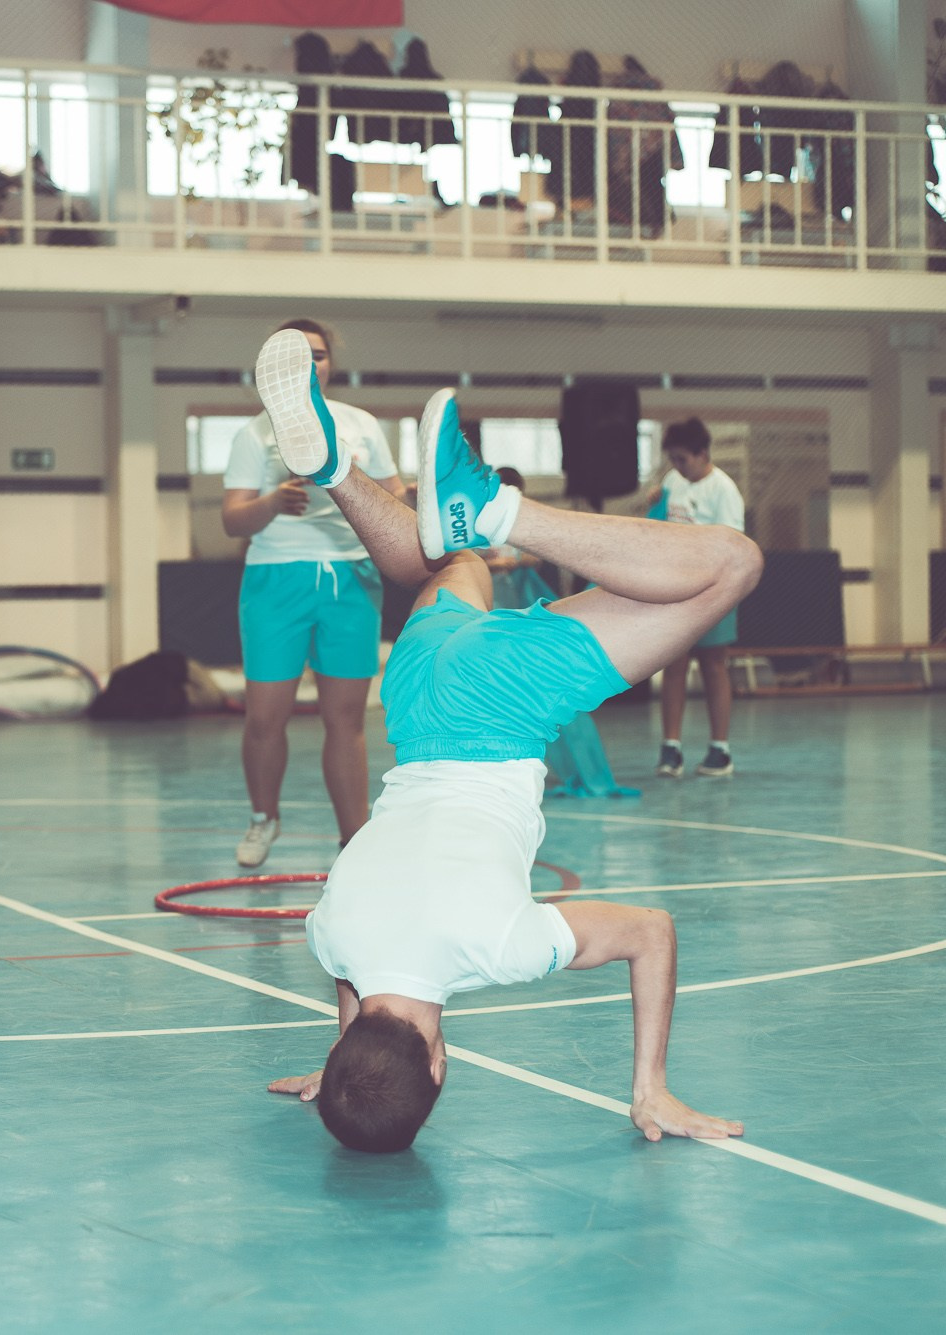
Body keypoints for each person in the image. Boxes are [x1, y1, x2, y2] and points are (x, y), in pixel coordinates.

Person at [250, 329, 758, 1152]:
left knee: (729, 565)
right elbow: (348, 978)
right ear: (353, 1042)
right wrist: (337, 1062)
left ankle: (499, 507)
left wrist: (651, 1085)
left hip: (496, 709)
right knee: (448, 564)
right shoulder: (331, 933)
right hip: (410, 700)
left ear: (441, 1067)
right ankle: (336, 469)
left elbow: (650, 932)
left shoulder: (501, 947)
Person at [222, 319, 405, 868]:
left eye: (320, 355)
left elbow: (394, 500)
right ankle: (263, 818)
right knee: (264, 717)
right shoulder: (253, 434)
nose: (313, 364)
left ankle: (354, 838)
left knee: (346, 720)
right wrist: (272, 503)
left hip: (350, 578)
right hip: (276, 580)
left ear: (331, 364)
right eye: (300, 357)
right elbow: (233, 521)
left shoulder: (362, 426)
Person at [484, 468, 638, 801]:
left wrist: (515, 563)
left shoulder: (522, 523)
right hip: (497, 625)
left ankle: (583, 771)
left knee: (558, 697)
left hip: (524, 625)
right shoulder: (478, 522)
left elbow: (536, 556)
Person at [650, 419, 745, 780]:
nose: (676, 466)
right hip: (676, 590)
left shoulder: (724, 490)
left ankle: (720, 749)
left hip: (713, 591)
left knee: (713, 666)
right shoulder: (673, 482)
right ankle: (670, 747)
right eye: (672, 459)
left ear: (702, 454)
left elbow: (731, 548)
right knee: (673, 666)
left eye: (682, 459)